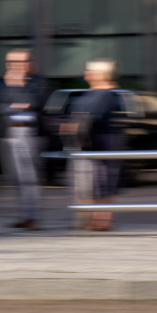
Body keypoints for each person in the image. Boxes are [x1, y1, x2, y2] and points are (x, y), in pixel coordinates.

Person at [60, 59, 124, 231]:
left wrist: (76, 124)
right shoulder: (90, 92)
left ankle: (102, 221)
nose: (86, 74)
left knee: (104, 182)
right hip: (83, 142)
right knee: (82, 182)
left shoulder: (109, 94)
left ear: (102, 74)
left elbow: (95, 116)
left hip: (103, 142)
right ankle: (85, 219)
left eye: (90, 71)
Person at [0, 49, 50, 230]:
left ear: (30, 63)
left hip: (29, 134)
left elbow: (33, 103)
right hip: (9, 133)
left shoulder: (40, 82)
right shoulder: (3, 83)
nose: (16, 66)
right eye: (11, 62)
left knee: (29, 178)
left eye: (21, 62)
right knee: (16, 178)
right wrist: (16, 100)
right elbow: (1, 105)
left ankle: (33, 218)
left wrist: (17, 87)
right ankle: (24, 215)